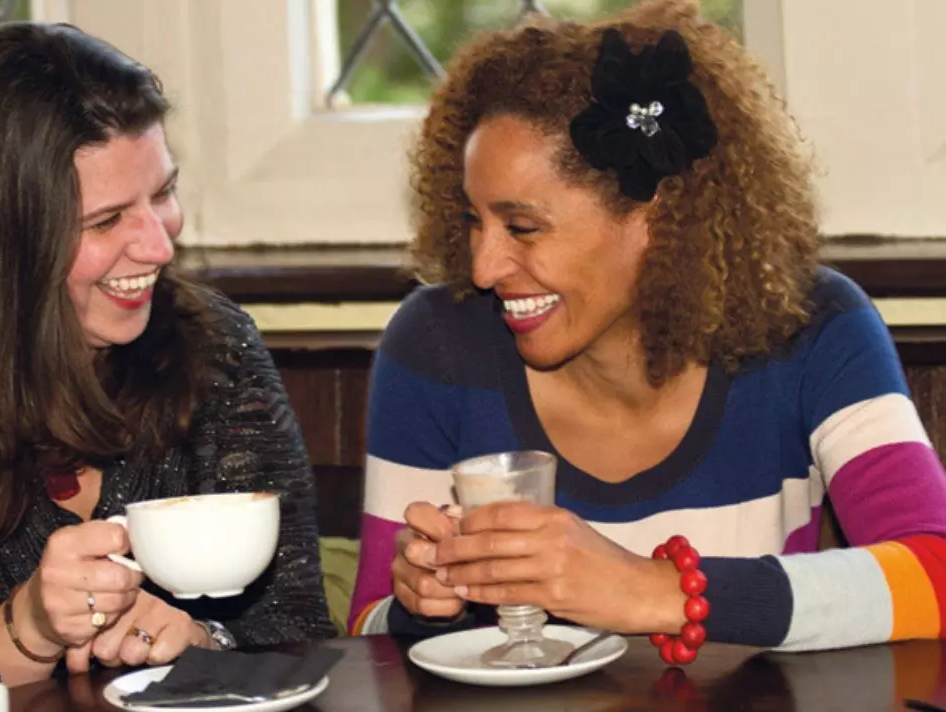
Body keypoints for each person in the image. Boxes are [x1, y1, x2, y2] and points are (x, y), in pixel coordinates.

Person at [349, 0, 946, 660]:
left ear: (655, 216)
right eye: (473, 220)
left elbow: (936, 575)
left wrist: (653, 590)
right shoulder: (437, 345)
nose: (483, 267)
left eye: (523, 227)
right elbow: (368, 636)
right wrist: (427, 606)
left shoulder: (812, 328)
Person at [0, 21, 334, 710]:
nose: (158, 245)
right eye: (106, 220)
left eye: (163, 193)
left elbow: (299, 634)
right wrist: (31, 627)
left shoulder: (213, 350)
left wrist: (200, 643)